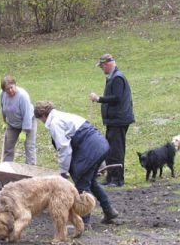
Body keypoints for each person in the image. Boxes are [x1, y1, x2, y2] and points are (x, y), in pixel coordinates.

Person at [33, 100, 119, 224]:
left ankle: (83, 222)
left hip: (90, 150)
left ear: (43, 116)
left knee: (81, 186)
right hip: (100, 145)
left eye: (41, 119)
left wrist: (63, 172)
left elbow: (64, 149)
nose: (42, 122)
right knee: (92, 182)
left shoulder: (55, 123)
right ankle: (109, 210)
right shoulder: (64, 116)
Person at [89, 53, 134, 187]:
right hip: (113, 120)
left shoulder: (117, 78)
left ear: (107, 64)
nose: (102, 69)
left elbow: (117, 98)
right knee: (110, 149)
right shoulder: (112, 77)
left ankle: (118, 179)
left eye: (102, 66)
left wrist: (99, 99)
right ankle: (110, 177)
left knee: (116, 150)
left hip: (119, 120)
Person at [0, 75, 36, 165]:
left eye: (11, 87)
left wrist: (24, 131)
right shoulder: (2, 94)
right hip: (12, 124)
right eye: (7, 89)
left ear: (15, 85)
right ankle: (6, 168)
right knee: (8, 148)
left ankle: (30, 170)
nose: (10, 90)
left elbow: (27, 115)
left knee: (29, 146)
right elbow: (3, 107)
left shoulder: (23, 96)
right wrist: (4, 121)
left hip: (28, 122)